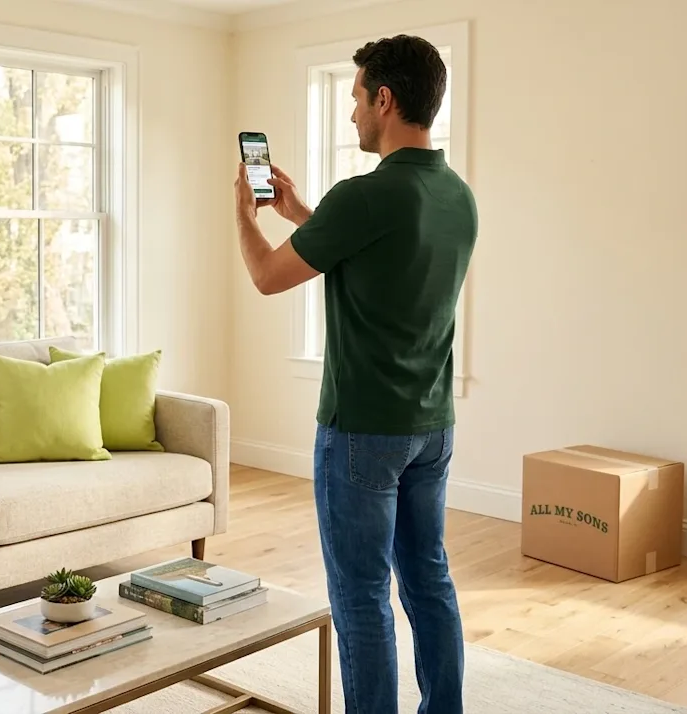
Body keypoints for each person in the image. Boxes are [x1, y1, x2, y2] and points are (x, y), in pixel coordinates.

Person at [231, 34, 477, 714]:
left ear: (386, 99)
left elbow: (266, 275)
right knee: (429, 582)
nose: (352, 115)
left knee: (361, 596)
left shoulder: (365, 195)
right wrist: (302, 214)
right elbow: (376, 257)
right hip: (432, 426)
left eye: (356, 99)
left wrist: (243, 217)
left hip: (362, 429)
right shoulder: (458, 196)